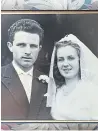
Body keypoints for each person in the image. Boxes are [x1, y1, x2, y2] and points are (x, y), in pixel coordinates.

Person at [1, 19, 51, 120]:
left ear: (39, 48)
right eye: (21, 45)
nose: (28, 51)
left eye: (33, 46)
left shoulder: (48, 82)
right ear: (10, 46)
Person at [47, 34, 98, 120]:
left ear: (80, 60)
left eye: (70, 58)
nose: (65, 64)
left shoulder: (92, 91)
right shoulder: (57, 91)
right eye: (61, 59)